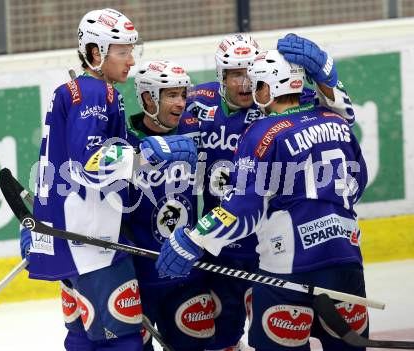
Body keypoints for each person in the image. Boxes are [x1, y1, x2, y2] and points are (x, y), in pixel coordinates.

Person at [156, 50, 369, 351]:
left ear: (271, 88)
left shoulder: (261, 133)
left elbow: (243, 209)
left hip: (289, 269)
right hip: (347, 260)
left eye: (257, 85)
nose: (252, 92)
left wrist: (195, 238)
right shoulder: (335, 121)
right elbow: (357, 183)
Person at [19, 9, 196, 351]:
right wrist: (154, 149)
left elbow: (59, 163)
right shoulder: (95, 94)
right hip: (91, 242)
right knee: (123, 342)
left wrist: (41, 218)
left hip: (75, 237)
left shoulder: (77, 91)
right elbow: (90, 164)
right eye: (122, 51)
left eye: (132, 50)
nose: (131, 60)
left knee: (84, 340)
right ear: (96, 53)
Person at [126, 60, 215, 350]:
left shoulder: (194, 128)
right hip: (140, 278)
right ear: (148, 98)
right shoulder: (124, 140)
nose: (180, 103)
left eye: (182, 95)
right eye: (171, 96)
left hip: (188, 272)